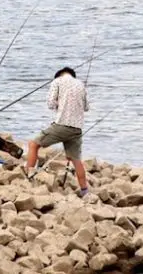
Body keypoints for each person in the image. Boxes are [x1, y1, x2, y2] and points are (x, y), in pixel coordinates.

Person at [24, 66, 90, 197]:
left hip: (61, 125)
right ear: (72, 75)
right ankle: (85, 191)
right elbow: (86, 107)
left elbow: (50, 104)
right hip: (77, 129)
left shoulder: (57, 82)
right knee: (76, 160)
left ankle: (29, 177)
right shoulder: (81, 84)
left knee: (33, 144)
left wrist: (60, 103)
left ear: (59, 75)